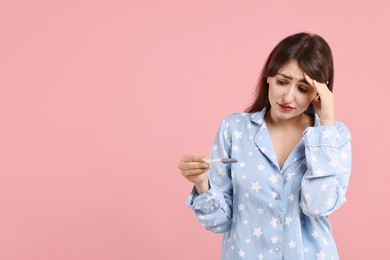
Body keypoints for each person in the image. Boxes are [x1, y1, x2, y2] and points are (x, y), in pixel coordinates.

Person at [178, 32, 352, 260]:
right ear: (269, 76)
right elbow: (219, 223)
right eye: (282, 82)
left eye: (302, 88)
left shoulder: (334, 136)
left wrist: (325, 127)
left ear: (319, 93)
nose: (288, 97)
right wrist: (202, 183)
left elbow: (319, 206)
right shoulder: (234, 129)